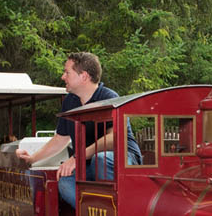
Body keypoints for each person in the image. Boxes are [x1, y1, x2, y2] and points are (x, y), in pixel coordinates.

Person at [16, 52, 142, 206]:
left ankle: (120, 209)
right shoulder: (70, 101)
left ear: (84, 76)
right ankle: (95, 213)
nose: (63, 77)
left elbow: (114, 137)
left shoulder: (109, 98)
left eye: (67, 72)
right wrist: (32, 159)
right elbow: (60, 139)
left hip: (123, 162)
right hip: (88, 165)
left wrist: (78, 157)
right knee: (65, 181)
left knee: (100, 160)